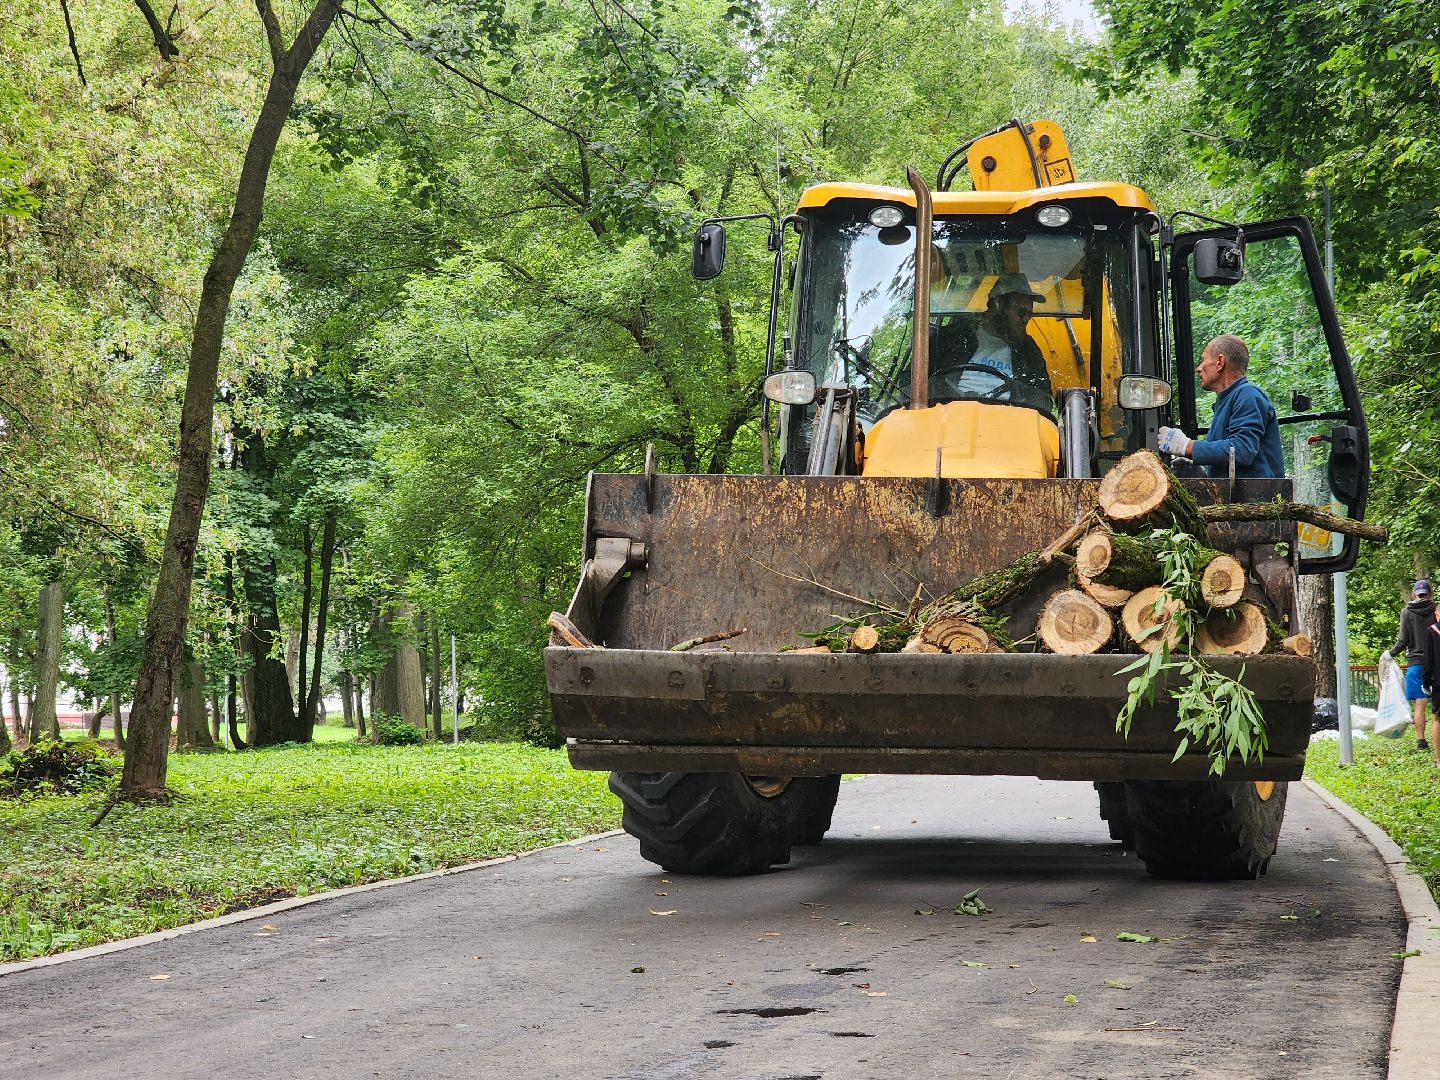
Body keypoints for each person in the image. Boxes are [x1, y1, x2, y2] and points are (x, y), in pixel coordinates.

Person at [1156, 334, 1285, 478]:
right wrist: (1203, 475)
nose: (1199, 368)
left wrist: (1188, 446)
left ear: (1220, 362)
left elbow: (1242, 450)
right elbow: (1231, 461)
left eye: (1204, 359)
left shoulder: (1248, 395)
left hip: (1261, 498)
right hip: (1240, 498)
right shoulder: (1227, 401)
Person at [930, 273, 1053, 414]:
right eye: (1020, 312)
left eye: (1029, 314)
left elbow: (1044, 398)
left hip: (1010, 423)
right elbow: (912, 382)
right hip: (948, 416)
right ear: (997, 305)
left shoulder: (1028, 349)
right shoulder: (952, 336)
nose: (1026, 319)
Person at [1385, 579, 1437, 752]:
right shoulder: (1435, 610)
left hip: (1415, 663)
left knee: (1420, 703)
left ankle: (1421, 740)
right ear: (1430, 594)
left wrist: (1389, 654)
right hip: (1436, 663)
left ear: (1415, 593)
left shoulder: (1406, 612)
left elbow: (1403, 640)